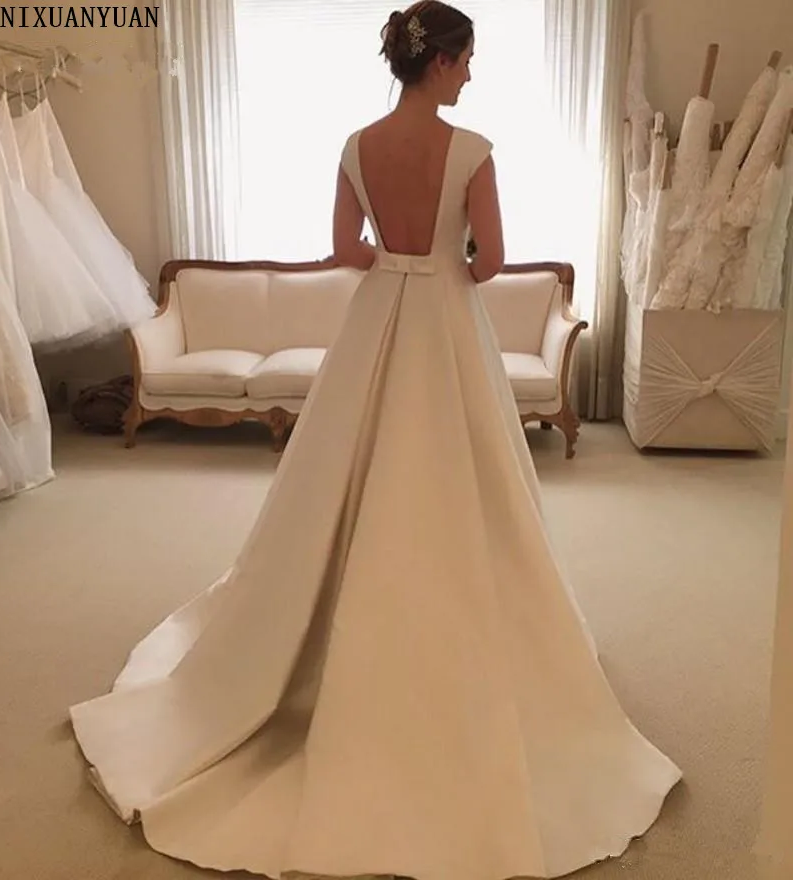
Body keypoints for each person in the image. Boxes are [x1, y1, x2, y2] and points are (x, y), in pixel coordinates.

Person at [69, 3, 681, 878]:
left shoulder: (357, 145)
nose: (471, 74)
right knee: (463, 470)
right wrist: (444, 266)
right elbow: (490, 261)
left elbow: (341, 248)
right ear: (441, 63)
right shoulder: (472, 151)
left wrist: (396, 262)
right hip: (444, 317)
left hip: (377, 314)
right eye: (467, 61)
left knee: (344, 466)